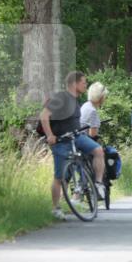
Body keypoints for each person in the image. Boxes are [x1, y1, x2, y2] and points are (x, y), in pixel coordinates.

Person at [40, 71, 106, 219]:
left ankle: (98, 183)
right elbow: (44, 115)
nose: (86, 85)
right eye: (84, 82)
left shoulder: (75, 99)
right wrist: (50, 135)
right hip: (62, 141)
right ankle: (55, 208)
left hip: (76, 137)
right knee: (59, 177)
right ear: (74, 84)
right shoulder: (61, 97)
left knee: (98, 150)